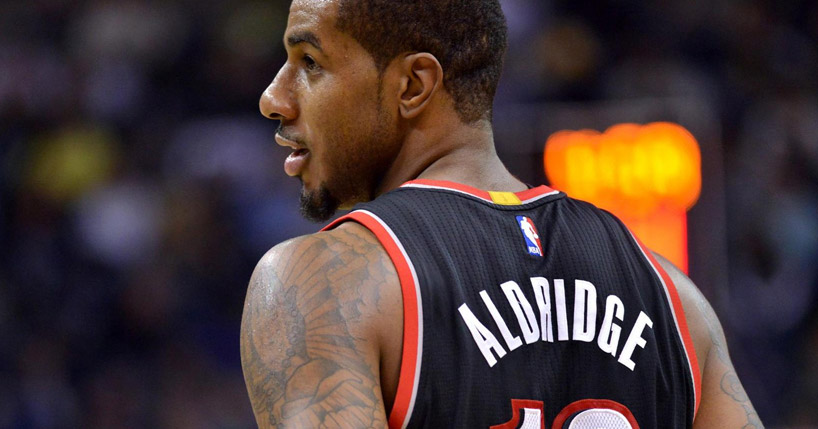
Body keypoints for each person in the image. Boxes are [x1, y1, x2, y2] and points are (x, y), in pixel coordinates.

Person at [239, 0, 762, 427]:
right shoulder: (675, 298)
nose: (273, 97)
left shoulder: (324, 283)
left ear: (413, 85)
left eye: (311, 63)